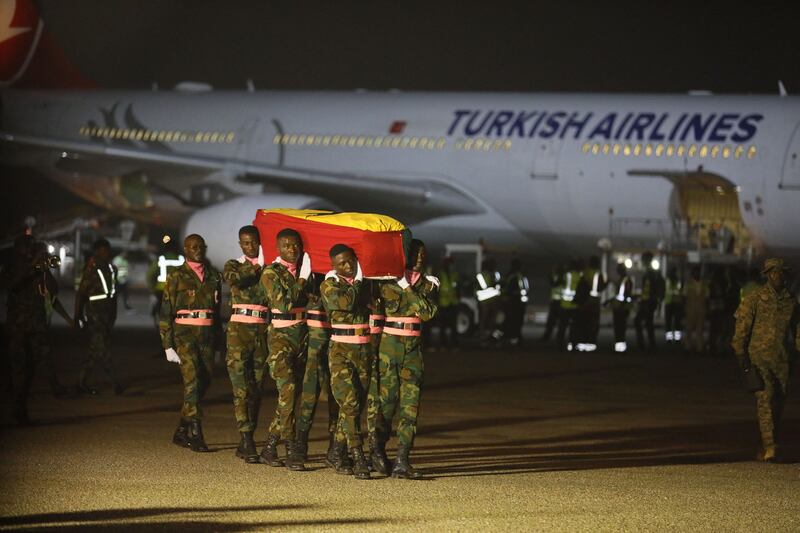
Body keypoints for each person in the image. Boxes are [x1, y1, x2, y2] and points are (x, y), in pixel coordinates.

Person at [376, 239, 438, 479]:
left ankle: (403, 459)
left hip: (413, 350)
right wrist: (405, 285)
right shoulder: (388, 282)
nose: (420, 259)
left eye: (423, 255)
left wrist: (409, 288)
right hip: (389, 348)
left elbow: (427, 312)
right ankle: (378, 451)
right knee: (387, 404)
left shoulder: (428, 284)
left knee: (411, 406)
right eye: (415, 254)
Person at [731, 258, 799, 462]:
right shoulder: (754, 299)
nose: (778, 276)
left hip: (782, 360)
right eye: (774, 272)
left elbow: (797, 330)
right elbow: (741, 331)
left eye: (781, 272)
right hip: (758, 359)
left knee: (778, 403)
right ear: (767, 275)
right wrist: (741, 355)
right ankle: (770, 446)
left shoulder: (791, 302)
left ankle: (766, 442)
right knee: (765, 400)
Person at [1, 236, 75, 425]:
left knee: (32, 369)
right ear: (19, 248)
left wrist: (44, 271)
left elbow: (53, 291)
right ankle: (18, 409)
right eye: (26, 247)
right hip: (17, 327)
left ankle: (22, 406)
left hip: (36, 326)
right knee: (19, 369)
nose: (28, 251)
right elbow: (11, 284)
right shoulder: (13, 266)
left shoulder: (38, 270)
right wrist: (31, 267)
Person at [160, 234, 222, 452]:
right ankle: (196, 432)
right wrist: (167, 345)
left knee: (204, 382)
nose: (197, 250)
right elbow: (165, 311)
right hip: (184, 334)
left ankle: (180, 430)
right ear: (185, 249)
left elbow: (216, 309)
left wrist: (219, 343)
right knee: (193, 382)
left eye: (200, 246)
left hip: (206, 336)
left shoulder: (214, 276)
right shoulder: (176, 276)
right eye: (193, 247)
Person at [259, 228, 311, 471]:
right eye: (287, 245)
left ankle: (269, 446)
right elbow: (284, 302)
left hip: (301, 336)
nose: (293, 249)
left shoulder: (303, 269)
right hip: (280, 338)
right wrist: (302, 279)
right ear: (278, 248)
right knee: (288, 390)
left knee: (290, 396)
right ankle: (291, 448)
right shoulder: (271, 273)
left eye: (296, 245)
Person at [320, 244, 372, 479]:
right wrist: (361, 280)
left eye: (351, 261)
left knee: (353, 406)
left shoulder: (364, 284)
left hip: (362, 349)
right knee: (350, 404)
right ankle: (357, 453)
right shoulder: (329, 285)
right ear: (333, 265)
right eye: (342, 263)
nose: (348, 266)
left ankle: (336, 451)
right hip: (340, 350)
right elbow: (348, 302)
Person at [222, 225, 268, 464]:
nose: (250, 247)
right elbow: (233, 279)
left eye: (254, 242)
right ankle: (246, 437)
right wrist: (257, 265)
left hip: (261, 330)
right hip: (239, 331)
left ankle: (248, 436)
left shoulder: (268, 268)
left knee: (257, 387)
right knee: (241, 387)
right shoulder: (234, 265)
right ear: (240, 244)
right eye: (246, 243)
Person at [295, 271, 340, 468]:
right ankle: (300, 443)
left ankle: (335, 446)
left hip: (339, 335)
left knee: (338, 393)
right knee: (309, 392)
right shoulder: (308, 269)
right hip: (315, 335)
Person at [74, 238, 121, 395]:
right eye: (103, 249)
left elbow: (113, 294)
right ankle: (115, 382)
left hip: (106, 314)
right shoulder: (91, 269)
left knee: (95, 349)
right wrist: (78, 315)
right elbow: (81, 294)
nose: (106, 252)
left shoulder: (111, 268)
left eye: (107, 249)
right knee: (103, 348)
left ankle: (81, 382)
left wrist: (113, 314)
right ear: (97, 251)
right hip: (95, 314)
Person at [634, 251, 664, 353]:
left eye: (643, 259)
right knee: (648, 323)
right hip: (647, 302)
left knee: (640, 321)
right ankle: (650, 345)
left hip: (649, 302)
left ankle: (645, 345)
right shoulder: (649, 273)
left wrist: (649, 300)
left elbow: (652, 289)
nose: (642, 261)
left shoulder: (651, 274)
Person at [576, 256, 605, 352]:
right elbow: (600, 288)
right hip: (594, 303)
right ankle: (591, 345)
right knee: (593, 325)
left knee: (583, 324)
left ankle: (582, 344)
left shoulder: (585, 273)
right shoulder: (598, 274)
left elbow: (580, 287)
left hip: (584, 303)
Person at [556, 259, 583, 351]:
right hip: (575, 305)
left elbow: (557, 283)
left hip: (564, 305)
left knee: (562, 326)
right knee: (574, 327)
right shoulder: (580, 276)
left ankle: (559, 345)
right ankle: (572, 345)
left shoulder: (566, 275)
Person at [502, 258, 529, 348]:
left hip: (516, 302)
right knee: (514, 322)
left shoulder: (516, 276)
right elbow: (508, 290)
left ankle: (514, 338)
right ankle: (513, 340)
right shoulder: (514, 276)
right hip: (514, 303)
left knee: (515, 321)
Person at [435, 256, 460, 350]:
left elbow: (457, 287)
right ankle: (443, 345)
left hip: (453, 303)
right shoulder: (440, 274)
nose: (451, 265)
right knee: (443, 326)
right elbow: (436, 290)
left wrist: (458, 297)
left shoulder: (455, 274)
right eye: (449, 263)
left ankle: (454, 344)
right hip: (443, 303)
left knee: (453, 326)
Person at [475, 258, 501, 346]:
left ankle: (491, 338)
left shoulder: (494, 274)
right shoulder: (481, 275)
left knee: (492, 321)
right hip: (484, 302)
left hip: (493, 301)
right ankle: (483, 339)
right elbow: (485, 287)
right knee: (484, 321)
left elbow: (498, 285)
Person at [683, 266, 709, 355]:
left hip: (701, 310)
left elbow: (707, 297)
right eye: (695, 272)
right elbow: (684, 297)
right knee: (688, 329)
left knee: (700, 330)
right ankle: (687, 347)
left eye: (698, 272)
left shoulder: (704, 284)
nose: (696, 274)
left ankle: (700, 348)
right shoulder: (688, 283)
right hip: (690, 309)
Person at [611, 263, 633, 353]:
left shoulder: (626, 280)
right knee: (618, 328)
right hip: (618, 307)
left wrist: (621, 306)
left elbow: (627, 294)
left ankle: (621, 348)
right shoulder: (620, 280)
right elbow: (618, 295)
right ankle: (618, 347)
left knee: (621, 328)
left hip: (622, 308)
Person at [540, 263, 564, 342]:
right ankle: (547, 336)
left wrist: (550, 277)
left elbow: (554, 284)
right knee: (551, 321)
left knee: (560, 322)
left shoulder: (562, 277)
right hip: (554, 301)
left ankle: (558, 338)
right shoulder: (556, 276)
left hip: (560, 302)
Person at [663, 267, 685, 345]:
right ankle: (671, 339)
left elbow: (679, 291)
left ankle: (676, 339)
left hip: (675, 303)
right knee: (670, 322)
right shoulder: (668, 280)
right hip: (670, 303)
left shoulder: (676, 281)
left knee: (676, 322)